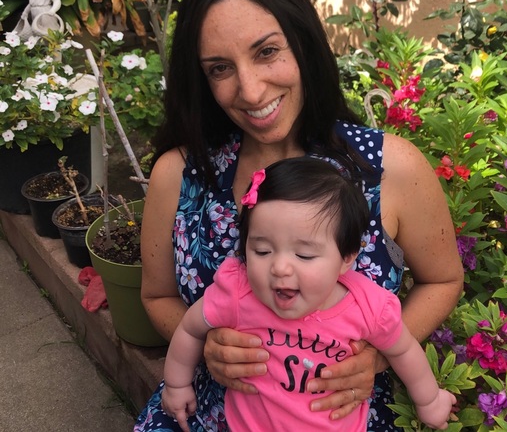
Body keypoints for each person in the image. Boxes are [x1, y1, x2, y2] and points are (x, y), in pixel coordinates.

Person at [134, 0, 464, 432]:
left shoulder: (390, 168)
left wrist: (377, 357)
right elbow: (157, 296)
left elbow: (443, 281)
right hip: (206, 415)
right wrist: (205, 347)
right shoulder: (180, 174)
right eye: (221, 68)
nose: (250, 91)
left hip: (340, 416)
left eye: (267, 51)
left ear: (303, 43)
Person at [161, 157, 457, 432]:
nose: (279, 267)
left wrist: (429, 400)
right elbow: (190, 329)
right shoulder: (237, 292)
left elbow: (403, 350)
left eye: (304, 255)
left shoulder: (368, 306)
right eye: (262, 250)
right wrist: (176, 385)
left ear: (346, 258)